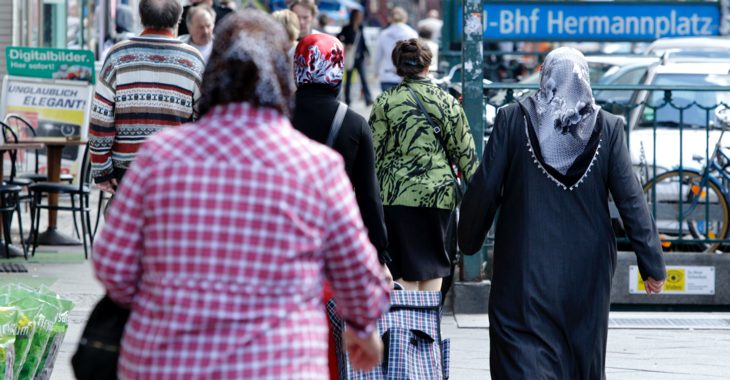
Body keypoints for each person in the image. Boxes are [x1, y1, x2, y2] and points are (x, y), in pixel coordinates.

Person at [93, 10, 390, 380]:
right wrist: (363, 331)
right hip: (279, 366)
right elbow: (361, 280)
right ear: (283, 76)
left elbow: (113, 268)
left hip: (166, 365)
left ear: (213, 70)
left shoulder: (159, 157)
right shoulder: (318, 167)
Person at [458, 47, 667, 379]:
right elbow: (631, 199)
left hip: (523, 269)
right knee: (580, 354)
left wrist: (468, 240)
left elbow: (485, 187)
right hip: (586, 273)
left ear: (546, 76)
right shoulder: (609, 127)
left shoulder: (512, 119)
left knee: (519, 349)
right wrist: (651, 262)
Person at [292, 33, 392, 380]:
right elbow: (369, 198)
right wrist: (379, 257)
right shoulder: (353, 124)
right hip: (330, 257)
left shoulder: (274, 116)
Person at [370, 38, 478, 291]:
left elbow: (373, 155)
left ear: (398, 67)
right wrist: (482, 199)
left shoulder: (385, 102)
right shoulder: (448, 102)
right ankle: (429, 329)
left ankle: (401, 328)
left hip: (394, 194)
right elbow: (467, 155)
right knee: (432, 263)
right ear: (428, 66)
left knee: (400, 266)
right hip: (437, 195)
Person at [89, 0, 205, 194]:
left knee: (128, 223)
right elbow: (203, 121)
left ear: (141, 19)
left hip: (127, 171)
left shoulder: (118, 55)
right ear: (178, 21)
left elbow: (101, 118)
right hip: (175, 170)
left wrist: (103, 171)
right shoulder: (193, 60)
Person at [374, 7, 417, 92]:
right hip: (405, 75)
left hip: (386, 74)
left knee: (388, 104)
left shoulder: (384, 34)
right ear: (405, 18)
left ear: (390, 19)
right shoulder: (412, 33)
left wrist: (376, 72)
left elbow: (377, 57)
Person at [337, 9, 372, 106]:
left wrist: (367, 54)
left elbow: (363, 42)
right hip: (350, 57)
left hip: (360, 57)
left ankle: (368, 99)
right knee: (348, 80)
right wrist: (346, 44)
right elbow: (338, 37)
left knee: (364, 78)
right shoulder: (347, 28)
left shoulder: (361, 28)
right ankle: (348, 100)